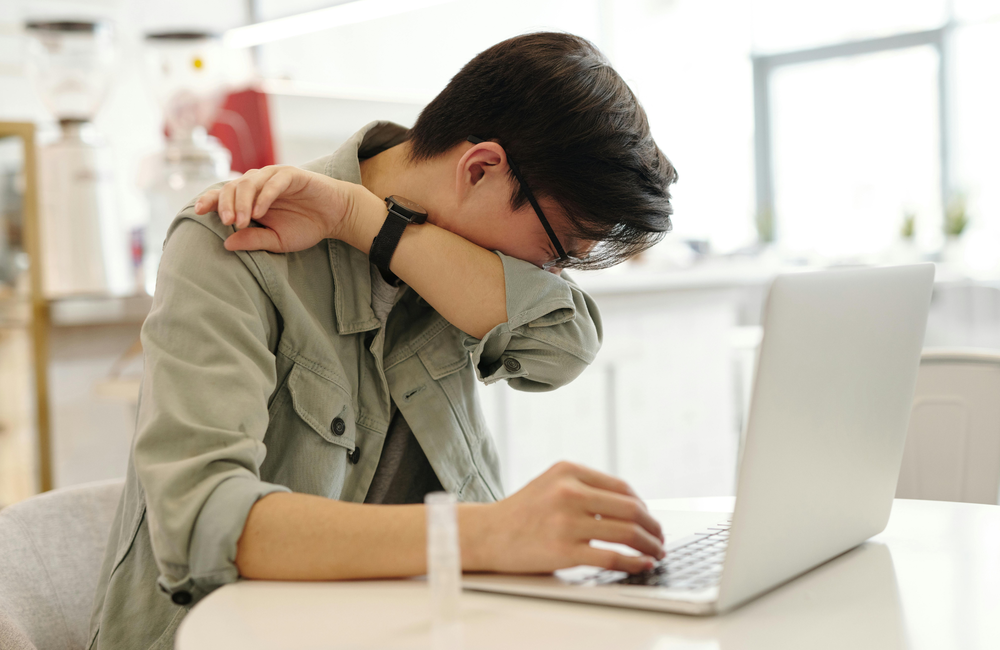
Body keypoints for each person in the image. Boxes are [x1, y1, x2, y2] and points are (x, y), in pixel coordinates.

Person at [88, 31, 677, 649]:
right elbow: (204, 520)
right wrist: (484, 534)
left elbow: (564, 343)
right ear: (479, 169)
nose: (548, 277)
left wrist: (362, 219)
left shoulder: (451, 252)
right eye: (556, 251)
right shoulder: (234, 240)